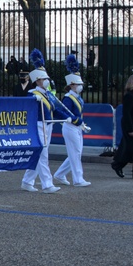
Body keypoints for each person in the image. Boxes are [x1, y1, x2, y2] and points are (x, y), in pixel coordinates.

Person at [21, 53, 74, 193]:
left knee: (39, 155)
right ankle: (47, 184)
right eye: (44, 79)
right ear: (38, 80)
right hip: (38, 126)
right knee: (43, 155)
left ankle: (27, 181)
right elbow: (28, 110)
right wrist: (33, 101)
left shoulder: (48, 94)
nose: (47, 81)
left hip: (48, 125)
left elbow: (54, 110)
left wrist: (67, 118)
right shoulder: (32, 94)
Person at [53, 55, 92, 187]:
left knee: (76, 153)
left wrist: (80, 122)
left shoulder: (78, 97)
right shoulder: (68, 98)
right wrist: (73, 119)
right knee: (75, 153)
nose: (81, 85)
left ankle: (59, 174)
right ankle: (78, 179)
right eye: (78, 84)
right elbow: (64, 112)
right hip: (70, 127)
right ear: (72, 85)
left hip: (77, 126)